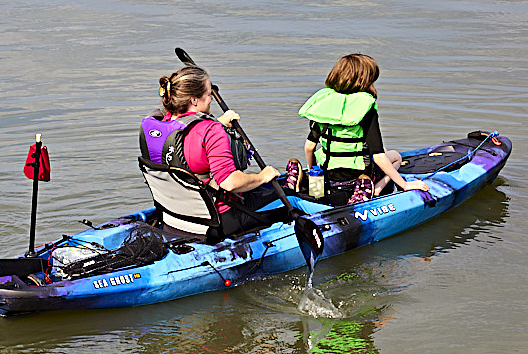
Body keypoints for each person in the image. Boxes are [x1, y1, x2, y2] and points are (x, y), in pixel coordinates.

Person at [140, 66, 307, 236]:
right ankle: (291, 190)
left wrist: (218, 123)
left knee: (260, 189)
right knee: (290, 198)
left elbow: (185, 139)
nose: (212, 98)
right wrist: (263, 175)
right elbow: (230, 182)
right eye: (208, 93)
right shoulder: (211, 131)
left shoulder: (154, 125)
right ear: (194, 100)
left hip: (173, 219)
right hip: (218, 222)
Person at [298, 54, 429, 205]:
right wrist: (405, 185)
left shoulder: (325, 105)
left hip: (329, 175)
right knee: (395, 157)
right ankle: (374, 190)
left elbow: (309, 147)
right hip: (359, 175)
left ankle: (314, 185)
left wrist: (314, 170)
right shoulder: (365, 108)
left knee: (328, 157)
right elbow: (379, 156)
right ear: (365, 81)